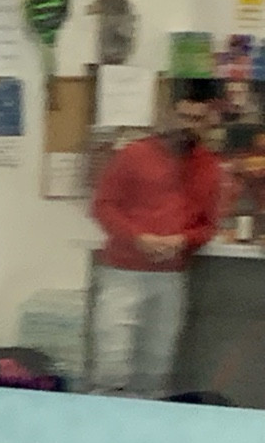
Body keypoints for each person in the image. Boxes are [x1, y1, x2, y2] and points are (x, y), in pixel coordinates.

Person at [88, 86, 222, 397]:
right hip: (123, 273)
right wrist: (138, 238)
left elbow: (208, 225)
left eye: (197, 119)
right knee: (111, 367)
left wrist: (183, 241)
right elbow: (103, 206)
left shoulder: (209, 167)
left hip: (170, 278)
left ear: (207, 123)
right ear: (169, 115)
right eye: (183, 116)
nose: (188, 124)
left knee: (156, 368)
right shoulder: (134, 154)